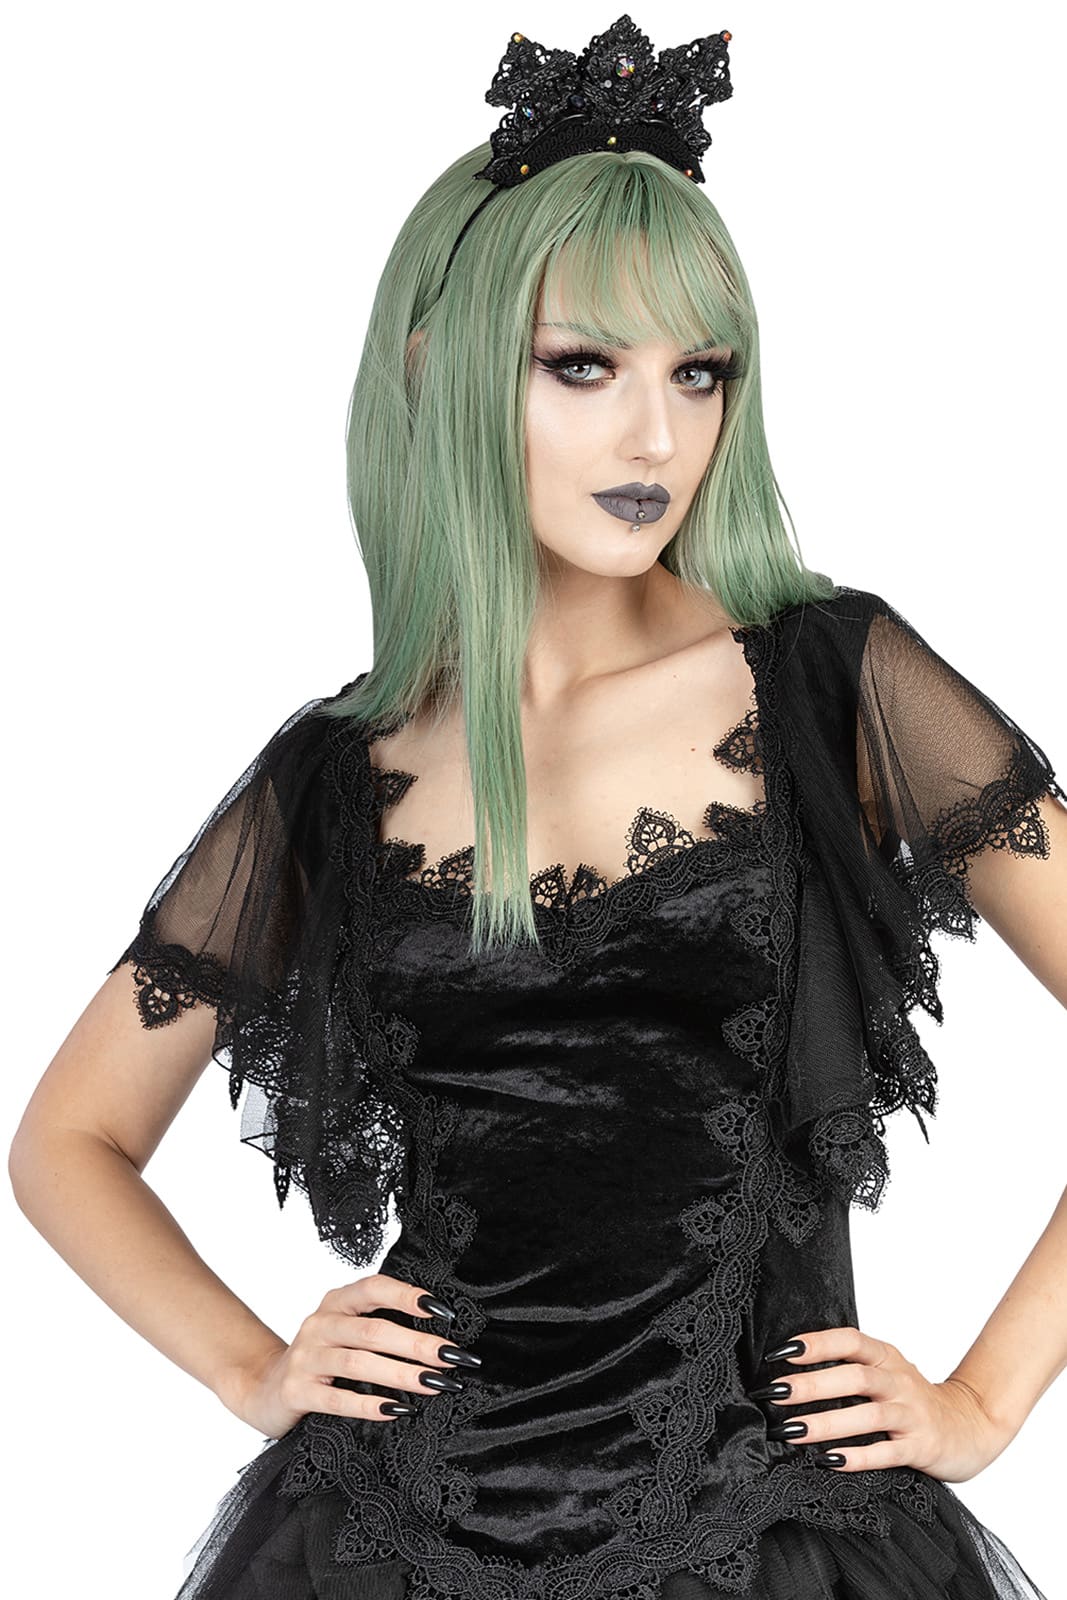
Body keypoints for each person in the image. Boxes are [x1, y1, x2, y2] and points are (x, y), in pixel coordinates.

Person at [9, 15, 1067, 1599]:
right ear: (437, 368)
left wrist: (987, 1399)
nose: (657, 435)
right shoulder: (335, 778)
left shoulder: (833, 687)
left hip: (763, 1531)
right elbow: (68, 1140)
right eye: (584, 366)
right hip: (385, 1536)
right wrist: (250, 1366)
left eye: (699, 373)